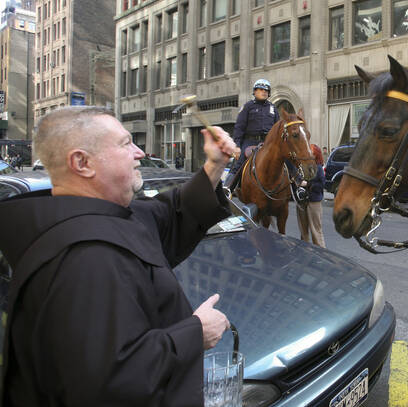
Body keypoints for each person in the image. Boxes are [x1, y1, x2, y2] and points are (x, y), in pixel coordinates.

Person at [0, 106, 239, 406]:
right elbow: (108, 384)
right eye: (126, 144)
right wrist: (195, 333)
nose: (140, 152)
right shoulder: (83, 258)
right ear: (82, 162)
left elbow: (174, 212)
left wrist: (215, 165)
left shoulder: (115, 217)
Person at [225, 78, 280, 187]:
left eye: (266, 90)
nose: (264, 92)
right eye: (260, 90)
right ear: (255, 92)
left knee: (285, 159)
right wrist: (236, 147)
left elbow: (277, 127)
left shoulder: (273, 108)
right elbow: (239, 127)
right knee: (238, 163)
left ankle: (296, 188)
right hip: (249, 141)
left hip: (268, 142)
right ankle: (227, 189)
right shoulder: (248, 106)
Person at [296, 144, 326, 248]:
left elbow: (322, 184)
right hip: (302, 202)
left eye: (311, 151)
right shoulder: (302, 166)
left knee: (316, 231)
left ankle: (321, 254)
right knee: (303, 232)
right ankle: (305, 253)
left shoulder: (318, 168)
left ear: (315, 154)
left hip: (313, 202)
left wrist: (308, 184)